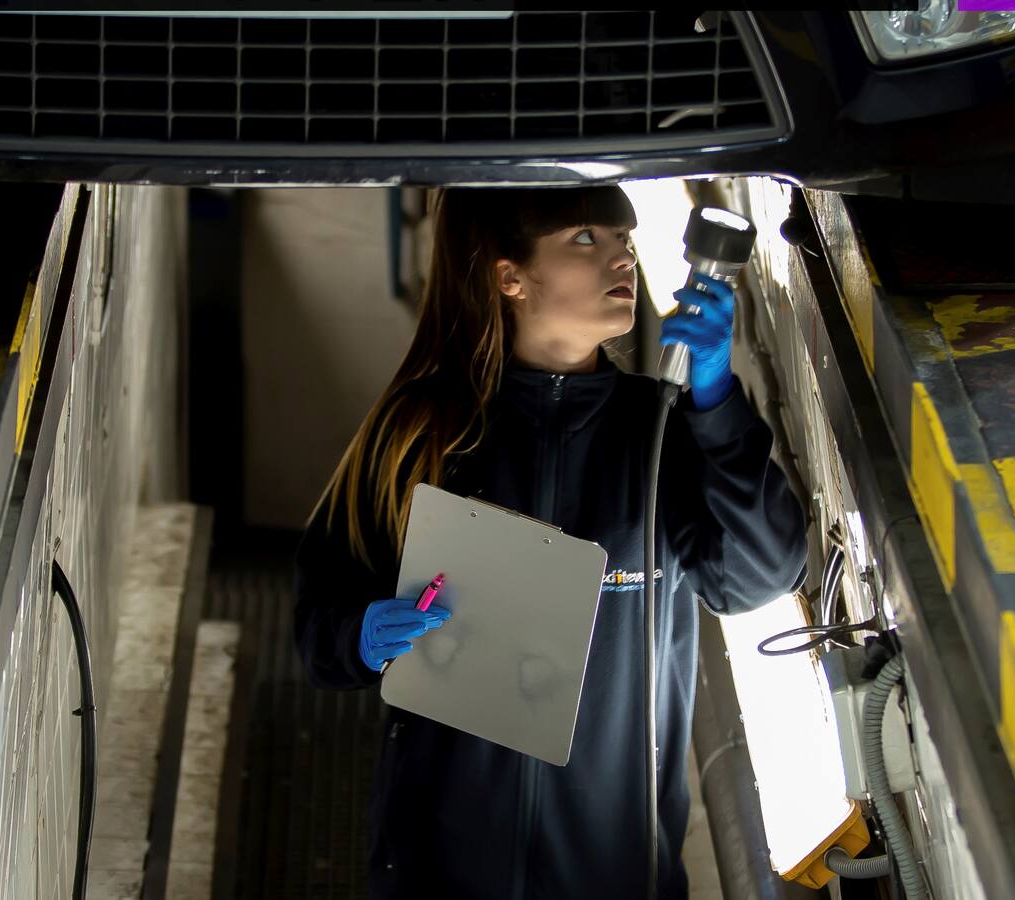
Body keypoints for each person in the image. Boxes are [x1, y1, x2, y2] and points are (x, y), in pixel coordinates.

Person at [294, 185, 808, 899]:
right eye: (585, 240)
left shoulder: (658, 433)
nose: (621, 257)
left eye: (623, 239)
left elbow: (762, 575)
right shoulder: (420, 433)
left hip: (614, 870)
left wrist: (717, 402)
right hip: (439, 871)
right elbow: (317, 626)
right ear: (511, 277)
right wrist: (360, 635)